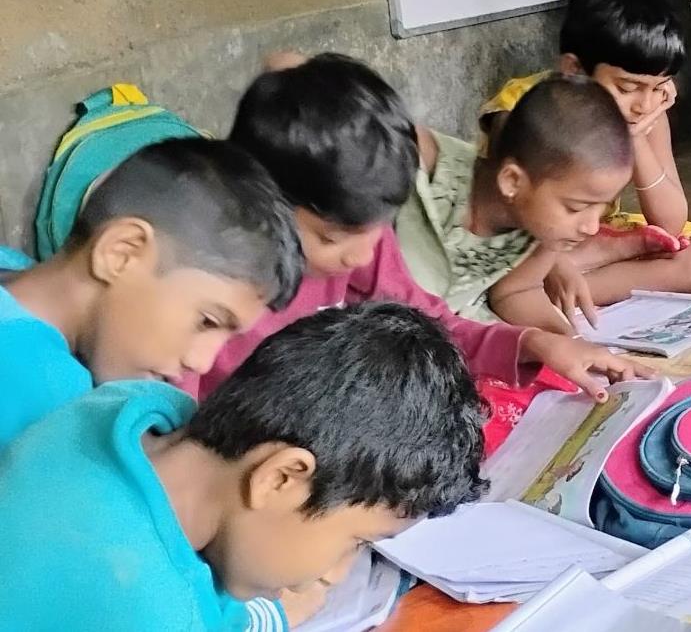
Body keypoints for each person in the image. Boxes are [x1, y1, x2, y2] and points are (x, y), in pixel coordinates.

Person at [0, 302, 487, 632]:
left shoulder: (131, 406)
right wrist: (272, 615)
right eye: (355, 542)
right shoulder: (156, 610)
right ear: (280, 477)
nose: (335, 575)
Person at [199, 53, 645, 399]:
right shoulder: (207, 297)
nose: (361, 255)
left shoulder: (365, 249)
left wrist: (537, 345)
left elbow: (429, 325)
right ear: (260, 203)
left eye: (377, 229)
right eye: (330, 237)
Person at [0, 137, 301, 444]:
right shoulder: (50, 405)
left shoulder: (10, 267)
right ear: (122, 253)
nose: (202, 362)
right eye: (206, 321)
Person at [398, 74, 691, 335]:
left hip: (450, 330)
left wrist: (567, 340)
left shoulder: (540, 227)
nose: (592, 226)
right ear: (512, 181)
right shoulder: (426, 170)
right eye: (576, 207)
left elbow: (516, 291)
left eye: (600, 207)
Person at [481, 0, 691, 240]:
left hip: (594, 237)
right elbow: (512, 223)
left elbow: (670, 223)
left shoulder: (647, 113)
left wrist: (635, 138)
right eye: (627, 88)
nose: (644, 105)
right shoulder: (521, 107)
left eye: (658, 87)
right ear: (574, 70)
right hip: (528, 243)